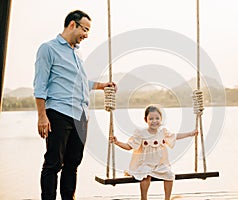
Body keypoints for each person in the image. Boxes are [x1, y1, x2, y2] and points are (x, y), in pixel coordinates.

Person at [33, 10, 117, 200]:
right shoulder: (48, 49)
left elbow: (80, 82)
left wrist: (102, 86)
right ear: (72, 24)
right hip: (58, 112)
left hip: (80, 115)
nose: (86, 35)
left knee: (73, 164)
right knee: (53, 163)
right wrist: (42, 116)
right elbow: (40, 85)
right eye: (85, 30)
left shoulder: (77, 54)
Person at [110, 105, 198, 200]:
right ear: (145, 119)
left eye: (157, 118)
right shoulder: (141, 133)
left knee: (169, 174)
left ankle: (167, 198)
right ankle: (144, 198)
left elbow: (175, 136)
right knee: (145, 175)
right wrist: (117, 142)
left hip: (159, 164)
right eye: (151, 118)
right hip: (145, 164)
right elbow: (129, 146)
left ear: (161, 119)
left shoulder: (163, 132)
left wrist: (190, 134)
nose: (154, 121)